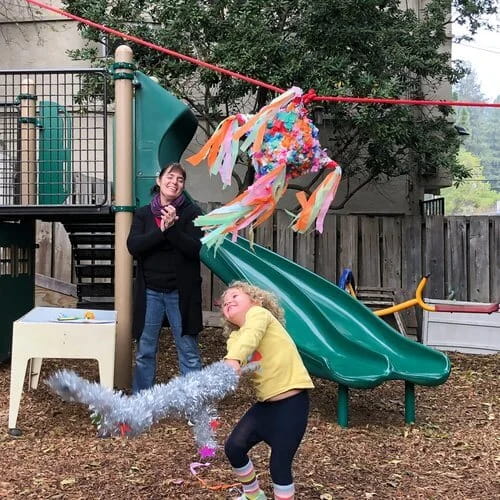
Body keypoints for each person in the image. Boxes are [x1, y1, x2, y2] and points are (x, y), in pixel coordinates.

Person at [221, 281, 314, 500]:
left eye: (235, 296)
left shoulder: (259, 315)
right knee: (234, 447)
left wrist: (233, 360)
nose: (228, 302)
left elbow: (249, 338)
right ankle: (254, 495)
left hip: (292, 404)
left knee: (279, 465)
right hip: (266, 406)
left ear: (255, 300)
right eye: (225, 303)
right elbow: (239, 356)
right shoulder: (235, 338)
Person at [127, 162, 203, 393]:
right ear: (159, 181)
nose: (174, 182)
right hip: (150, 291)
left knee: (188, 350)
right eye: (170, 177)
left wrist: (172, 229)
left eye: (180, 179)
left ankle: (194, 405)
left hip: (180, 293)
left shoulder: (192, 213)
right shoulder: (143, 214)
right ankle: (142, 401)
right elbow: (134, 246)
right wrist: (161, 231)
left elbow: (194, 249)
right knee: (145, 350)